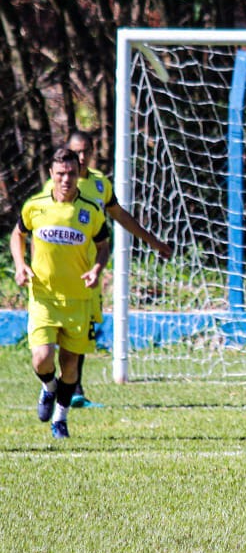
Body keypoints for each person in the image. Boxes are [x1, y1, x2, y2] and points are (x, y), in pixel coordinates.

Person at [58, 129, 174, 407]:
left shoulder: (100, 185)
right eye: (77, 152)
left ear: (94, 151)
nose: (82, 157)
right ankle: (57, 386)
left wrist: (155, 243)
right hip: (61, 271)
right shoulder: (58, 187)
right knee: (57, 334)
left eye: (87, 151)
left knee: (82, 332)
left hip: (90, 271)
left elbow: (120, 216)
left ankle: (74, 391)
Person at [10, 148, 111, 439]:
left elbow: (104, 245)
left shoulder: (90, 210)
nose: (66, 179)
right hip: (43, 297)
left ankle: (60, 419)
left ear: (79, 174)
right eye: (61, 174)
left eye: (71, 173)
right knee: (41, 359)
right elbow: (18, 234)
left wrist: (96, 269)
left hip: (78, 298)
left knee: (70, 366)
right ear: (51, 175)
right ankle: (48, 387)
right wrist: (20, 265)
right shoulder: (35, 206)